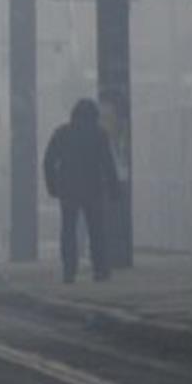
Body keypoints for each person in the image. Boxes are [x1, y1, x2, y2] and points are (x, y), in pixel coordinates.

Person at [43, 98, 121, 283]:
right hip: (93, 188)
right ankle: (100, 270)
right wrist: (114, 189)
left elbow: (48, 161)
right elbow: (108, 164)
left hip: (68, 189)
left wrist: (52, 186)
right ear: (94, 117)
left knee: (68, 231)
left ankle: (69, 271)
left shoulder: (62, 133)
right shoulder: (99, 135)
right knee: (97, 231)